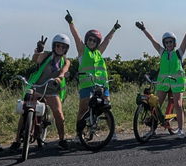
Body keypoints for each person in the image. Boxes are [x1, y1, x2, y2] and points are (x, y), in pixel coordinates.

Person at [136, 18, 186, 139]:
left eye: (171, 42)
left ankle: (180, 129)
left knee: (178, 105)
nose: (168, 44)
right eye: (166, 42)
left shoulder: (179, 53)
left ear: (174, 43)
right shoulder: (162, 52)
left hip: (177, 83)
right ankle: (152, 129)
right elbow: (152, 40)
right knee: (156, 105)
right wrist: (143, 29)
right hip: (164, 82)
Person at [10, 34, 71, 152]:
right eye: (58, 46)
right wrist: (38, 51)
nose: (60, 48)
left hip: (51, 90)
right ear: (54, 46)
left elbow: (64, 71)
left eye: (63, 47)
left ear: (66, 49)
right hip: (37, 87)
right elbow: (35, 59)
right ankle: (17, 140)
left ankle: (62, 139)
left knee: (58, 113)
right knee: (25, 111)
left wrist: (59, 78)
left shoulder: (66, 61)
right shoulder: (46, 54)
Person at [65, 10, 120, 138]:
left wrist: (114, 29)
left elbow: (107, 40)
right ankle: (79, 134)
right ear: (86, 40)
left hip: (102, 85)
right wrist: (71, 22)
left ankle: (113, 133)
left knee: (107, 108)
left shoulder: (98, 52)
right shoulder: (82, 50)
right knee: (83, 109)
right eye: (89, 40)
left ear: (97, 43)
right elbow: (76, 36)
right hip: (87, 85)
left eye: (94, 41)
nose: (91, 42)